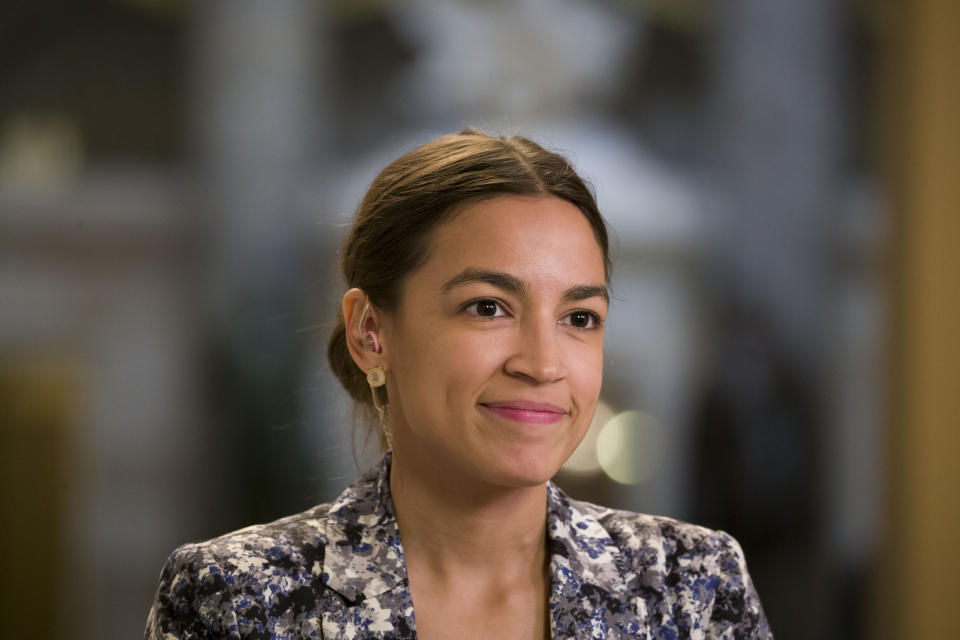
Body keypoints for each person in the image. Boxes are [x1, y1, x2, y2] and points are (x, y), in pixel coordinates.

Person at [145, 129, 772, 639]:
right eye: (488, 307)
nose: (542, 362)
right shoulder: (236, 598)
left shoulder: (693, 586)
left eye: (580, 318)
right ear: (371, 332)